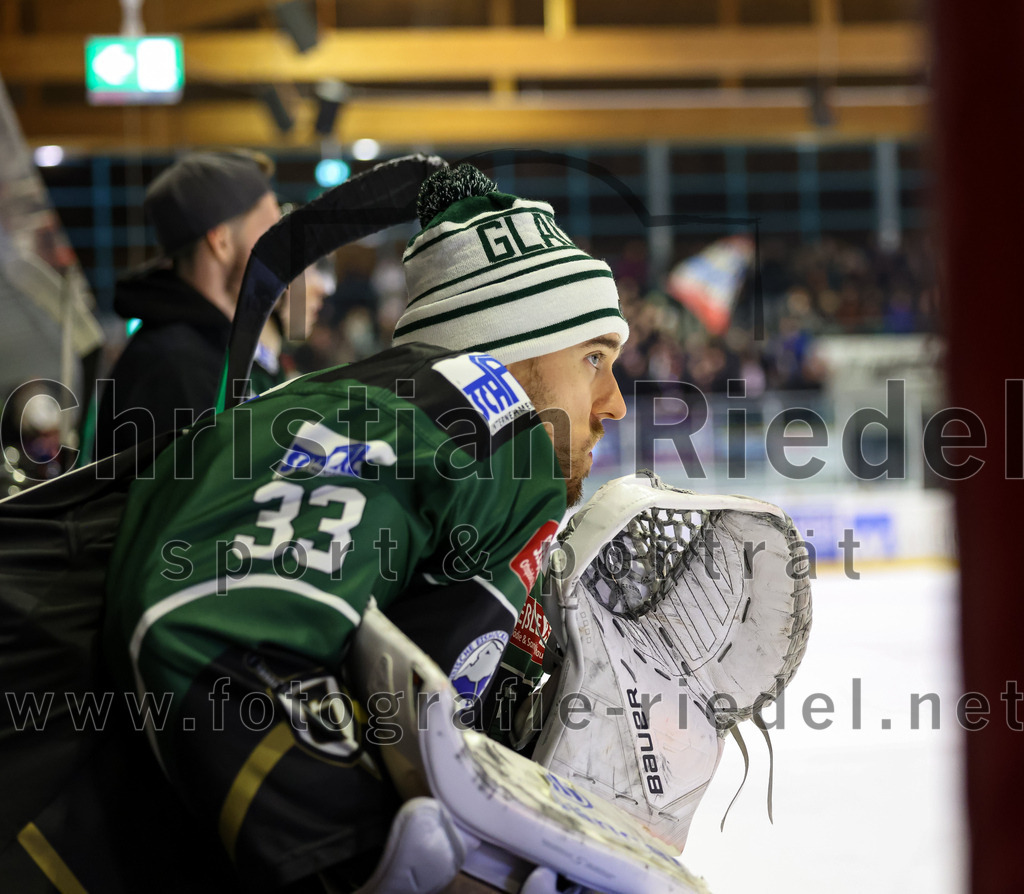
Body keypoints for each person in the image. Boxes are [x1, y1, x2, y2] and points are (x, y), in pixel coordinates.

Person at [100, 162, 629, 892]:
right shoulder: (491, 433)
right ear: (505, 359)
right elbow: (200, 628)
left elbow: (408, 697)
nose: (615, 402)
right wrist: (361, 853)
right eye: (593, 359)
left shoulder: (397, 420)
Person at [91, 151, 280, 459]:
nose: (283, 248)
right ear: (220, 243)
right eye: (270, 231)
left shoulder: (215, 351)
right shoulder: (173, 367)